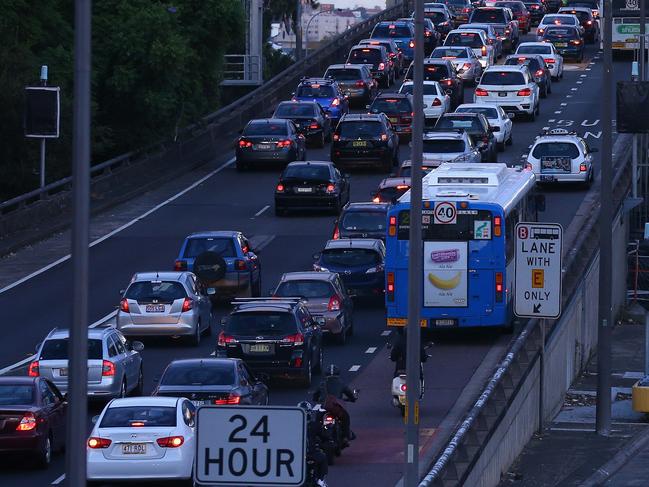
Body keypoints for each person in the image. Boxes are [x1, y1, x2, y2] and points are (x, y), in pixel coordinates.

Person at [312, 364, 357, 444]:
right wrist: (352, 399)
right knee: (346, 418)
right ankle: (346, 437)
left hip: (324, 408)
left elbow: (315, 395)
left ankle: (315, 438)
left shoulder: (322, 384)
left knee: (317, 421)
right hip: (336, 408)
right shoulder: (341, 383)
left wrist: (317, 399)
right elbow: (349, 393)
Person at [298, 401, 328, 487]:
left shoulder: (294, 425)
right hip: (311, 453)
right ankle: (320, 480)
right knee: (323, 457)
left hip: (297, 455)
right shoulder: (314, 425)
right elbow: (324, 436)